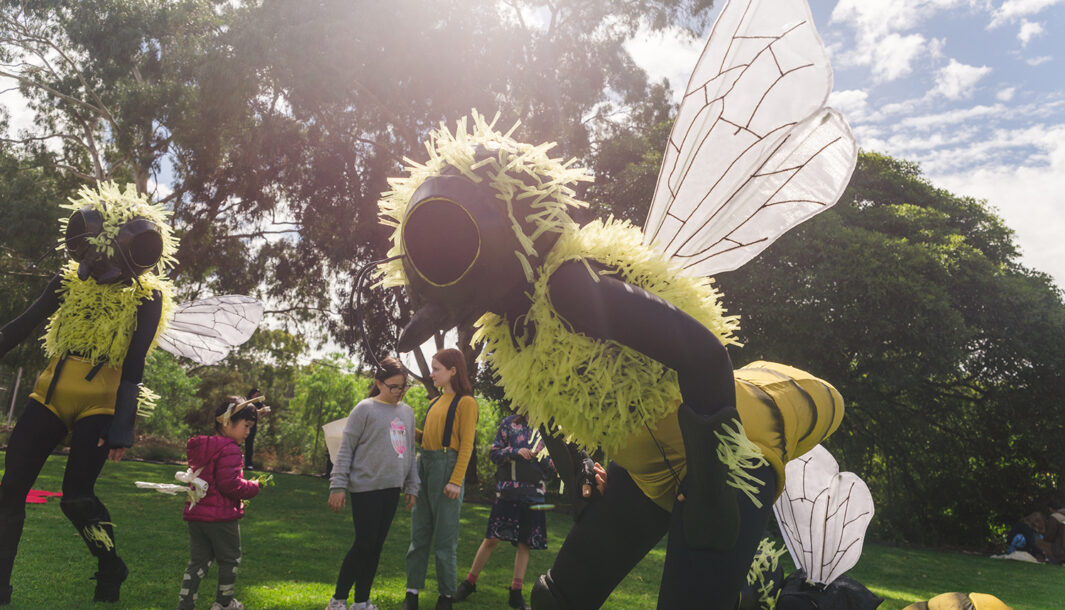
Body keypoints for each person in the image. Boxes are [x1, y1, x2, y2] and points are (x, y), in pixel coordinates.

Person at [0, 182, 177, 605]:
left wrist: (124, 423)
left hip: (101, 400)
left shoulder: (147, 297)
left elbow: (135, 365)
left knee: (77, 498)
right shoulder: (67, 283)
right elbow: (24, 324)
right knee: (9, 492)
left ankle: (110, 563)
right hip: (49, 393)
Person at [326, 357, 420, 610]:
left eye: (404, 386)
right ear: (379, 383)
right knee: (364, 543)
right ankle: (338, 599)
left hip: (392, 488)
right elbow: (345, 450)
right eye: (394, 386)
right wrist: (337, 486)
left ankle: (361, 602)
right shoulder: (364, 409)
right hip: (365, 488)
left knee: (376, 546)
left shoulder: (407, 412)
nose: (400, 392)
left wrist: (412, 486)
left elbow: (409, 452)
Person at [403, 348, 479, 610]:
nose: (431, 373)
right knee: (419, 532)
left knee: (445, 539)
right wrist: (408, 427)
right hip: (425, 464)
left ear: (453, 371)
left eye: (436, 369)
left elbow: (467, 445)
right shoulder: (435, 402)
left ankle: (445, 597)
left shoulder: (467, 403)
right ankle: (411, 592)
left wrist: (456, 481)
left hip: (447, 469)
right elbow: (428, 439)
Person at [455, 413, 554, 609]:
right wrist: (516, 451)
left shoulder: (549, 431)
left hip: (534, 493)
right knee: (492, 538)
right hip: (508, 490)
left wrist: (540, 454)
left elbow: (553, 467)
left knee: (524, 542)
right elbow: (494, 454)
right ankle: (469, 583)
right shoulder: (509, 424)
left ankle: (516, 594)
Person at [177, 397, 263, 610]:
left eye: (250, 427)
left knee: (198, 562)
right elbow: (229, 485)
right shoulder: (231, 448)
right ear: (227, 423)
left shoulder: (205, 447)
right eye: (246, 426)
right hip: (221, 518)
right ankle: (224, 603)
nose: (248, 432)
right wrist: (253, 487)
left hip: (197, 515)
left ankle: (185, 604)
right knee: (229, 559)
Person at [242, 388, 271, 470]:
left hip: (252, 426)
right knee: (237, 444)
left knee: (249, 445)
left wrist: (260, 417)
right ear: (252, 394)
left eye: (258, 394)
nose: (257, 395)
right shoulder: (246, 401)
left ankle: (248, 464)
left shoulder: (259, 403)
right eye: (256, 394)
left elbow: (267, 410)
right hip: (242, 425)